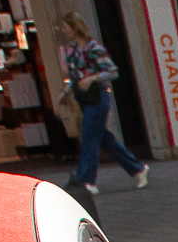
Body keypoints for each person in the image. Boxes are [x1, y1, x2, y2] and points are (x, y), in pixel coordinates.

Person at [57, 13, 147, 192]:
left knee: (89, 135)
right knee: (104, 138)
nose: (64, 31)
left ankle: (86, 180)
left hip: (97, 96)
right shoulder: (71, 49)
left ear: (75, 28)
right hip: (84, 98)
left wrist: (92, 79)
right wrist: (66, 92)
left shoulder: (94, 47)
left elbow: (112, 71)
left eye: (66, 28)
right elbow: (74, 76)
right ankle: (137, 168)